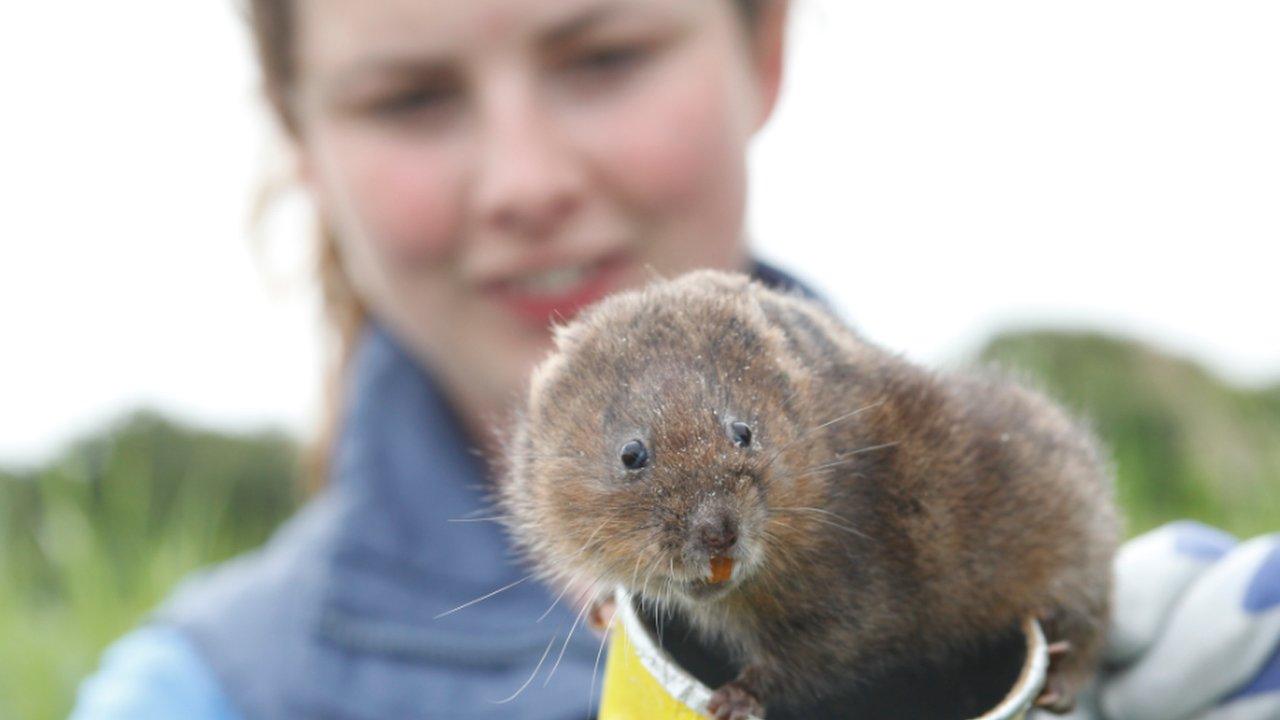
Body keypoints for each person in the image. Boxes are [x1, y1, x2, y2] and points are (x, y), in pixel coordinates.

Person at [70, 1, 1280, 718]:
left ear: (760, 44)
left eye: (603, 56)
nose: (528, 181)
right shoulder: (207, 690)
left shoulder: (948, 461)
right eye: (407, 97)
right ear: (300, 137)